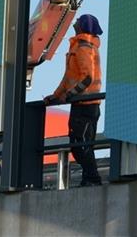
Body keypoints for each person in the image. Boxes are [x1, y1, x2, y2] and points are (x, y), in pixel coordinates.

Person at [44, 14, 103, 186]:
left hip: (84, 104)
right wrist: (55, 96)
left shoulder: (83, 47)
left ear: (83, 26)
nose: (75, 22)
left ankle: (92, 179)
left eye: (78, 20)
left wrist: (71, 94)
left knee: (80, 145)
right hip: (84, 104)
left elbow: (87, 78)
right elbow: (68, 77)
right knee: (82, 144)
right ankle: (89, 178)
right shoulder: (79, 46)